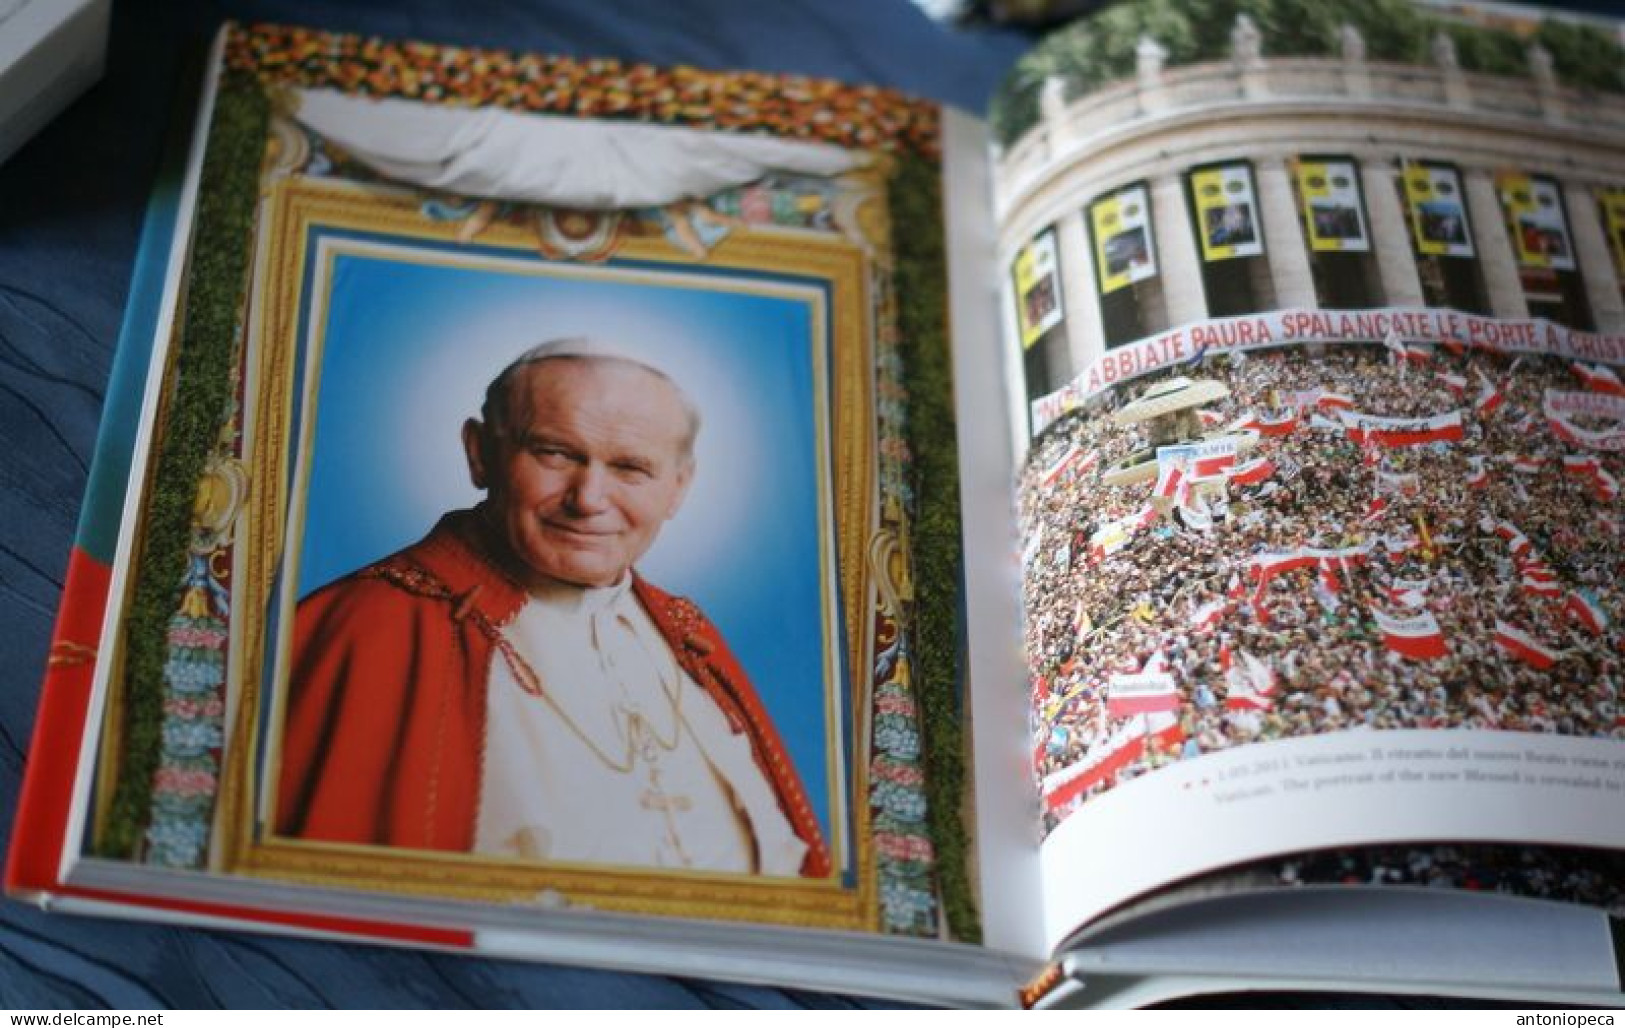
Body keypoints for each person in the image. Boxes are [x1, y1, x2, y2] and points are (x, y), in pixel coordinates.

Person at [276, 338, 830, 878]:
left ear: (679, 488)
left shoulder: (688, 635)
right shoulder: (369, 626)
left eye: (631, 468)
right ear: (480, 454)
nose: (588, 499)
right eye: (555, 453)